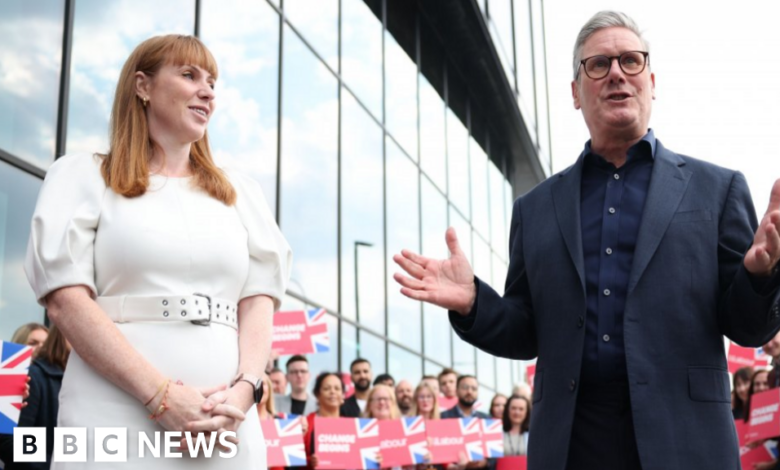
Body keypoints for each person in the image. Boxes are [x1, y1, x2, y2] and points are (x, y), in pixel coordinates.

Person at [393, 10, 780, 470]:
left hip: (684, 440)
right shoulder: (535, 208)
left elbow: (748, 328)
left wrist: (758, 275)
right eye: (598, 65)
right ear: (576, 93)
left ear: (651, 82)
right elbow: (526, 329)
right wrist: (474, 302)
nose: (616, 73)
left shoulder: (717, 189)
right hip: (572, 443)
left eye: (630, 61)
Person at [23, 34, 292, 469]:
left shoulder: (242, 193)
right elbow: (65, 300)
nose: (207, 90)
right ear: (143, 86)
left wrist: (245, 392)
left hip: (223, 423)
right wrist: (160, 396)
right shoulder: (82, 176)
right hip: (110, 414)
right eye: (189, 75)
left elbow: (259, 299)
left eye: (212, 82)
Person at [0, 325, 69, 469]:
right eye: (33, 343)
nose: (41, 348)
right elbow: (10, 442)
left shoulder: (71, 379)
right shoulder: (29, 377)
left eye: (45, 342)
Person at [304, 372, 345, 470]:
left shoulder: (352, 426)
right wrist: (310, 461)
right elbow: (293, 459)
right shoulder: (306, 423)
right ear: (317, 394)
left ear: (343, 395)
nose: (332, 392)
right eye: (327, 388)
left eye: (337, 388)